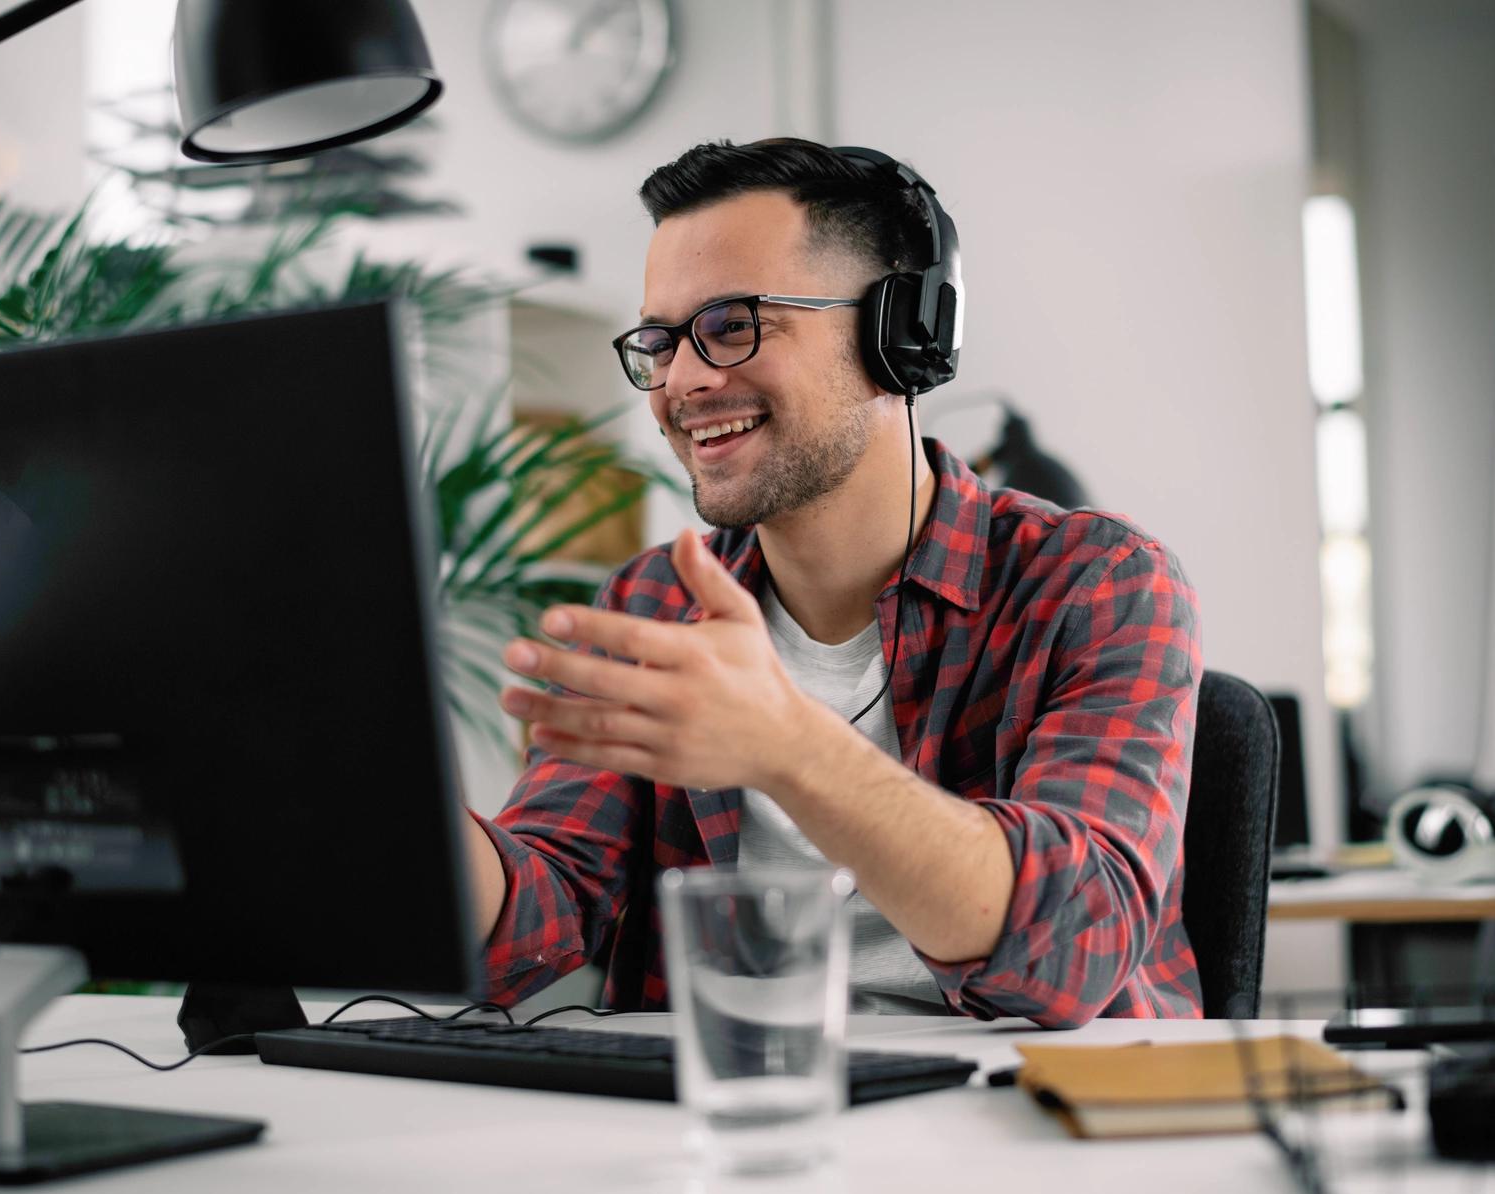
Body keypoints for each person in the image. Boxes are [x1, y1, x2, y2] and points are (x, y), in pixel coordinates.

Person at [460, 138, 1203, 1024]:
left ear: (900, 338)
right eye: (658, 342)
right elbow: (528, 930)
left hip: (1025, 1133)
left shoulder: (1095, 583)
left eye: (732, 326)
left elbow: (1070, 952)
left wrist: (785, 745)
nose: (681, 382)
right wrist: (376, 765)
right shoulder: (653, 606)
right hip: (745, 1115)